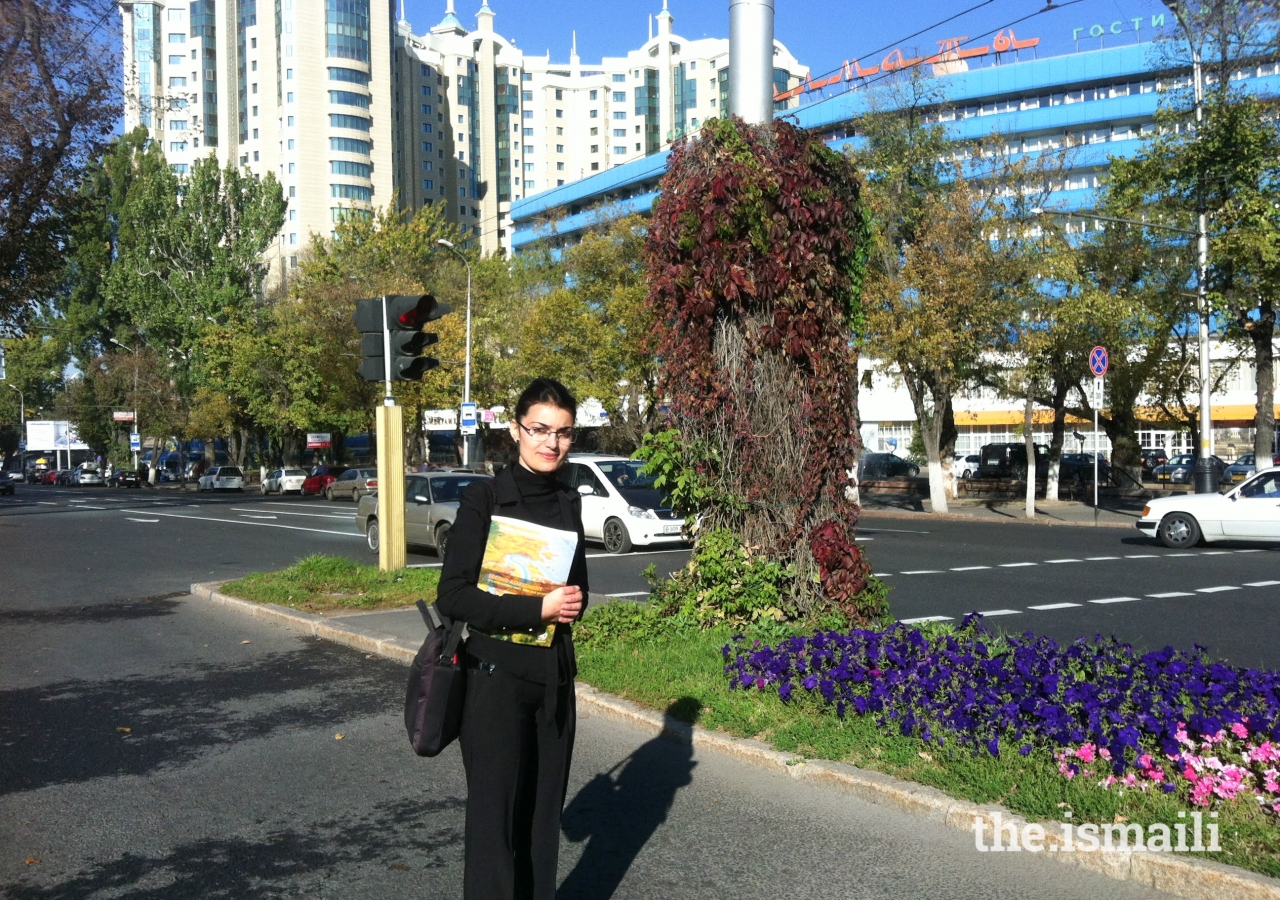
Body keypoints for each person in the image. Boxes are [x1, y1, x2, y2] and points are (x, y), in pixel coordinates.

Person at [436, 377, 588, 900]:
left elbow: (577, 586)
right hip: (493, 680)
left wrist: (572, 603)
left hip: (552, 680)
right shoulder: (485, 498)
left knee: (543, 823)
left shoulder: (569, 500)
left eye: (564, 433)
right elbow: (452, 595)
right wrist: (536, 607)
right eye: (540, 429)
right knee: (494, 825)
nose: (552, 443)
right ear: (515, 429)